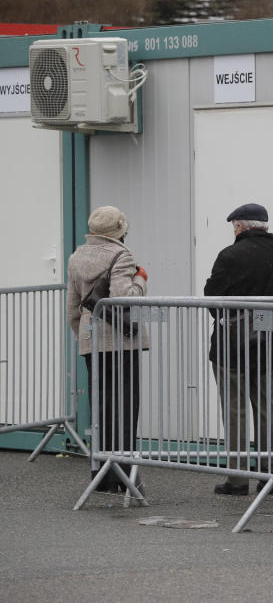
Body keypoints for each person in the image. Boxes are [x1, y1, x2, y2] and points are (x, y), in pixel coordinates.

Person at [205, 203, 273, 496]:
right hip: (270, 343)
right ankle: (269, 474)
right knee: (268, 406)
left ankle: (238, 478)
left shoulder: (229, 256)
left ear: (241, 226)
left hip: (232, 345)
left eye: (234, 226)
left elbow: (212, 296)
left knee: (235, 409)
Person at [67, 206, 149, 494]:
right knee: (126, 406)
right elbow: (124, 298)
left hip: (93, 341)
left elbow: (73, 307)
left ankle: (101, 474)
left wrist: (85, 336)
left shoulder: (77, 256)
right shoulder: (121, 255)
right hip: (121, 341)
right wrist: (141, 279)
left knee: (101, 407)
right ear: (119, 229)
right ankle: (124, 474)